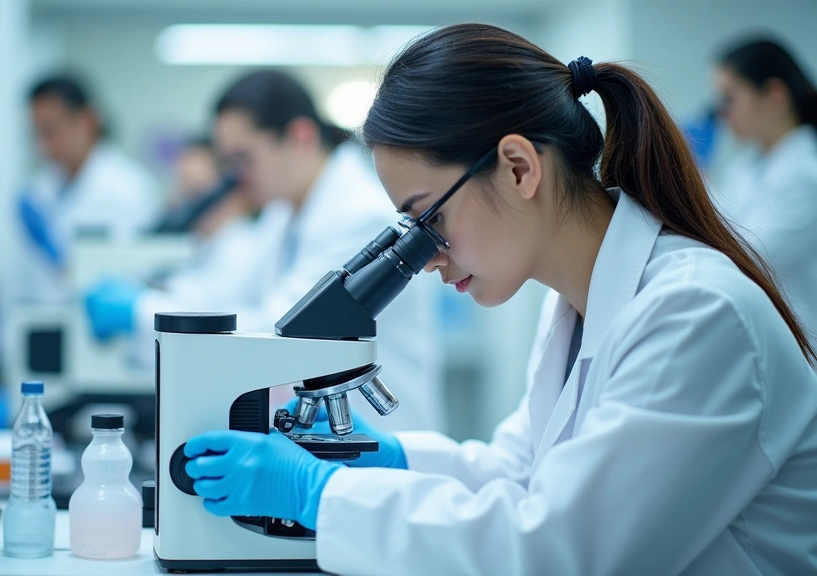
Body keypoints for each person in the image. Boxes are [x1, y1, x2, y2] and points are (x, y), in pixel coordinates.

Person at [180, 24, 817, 575]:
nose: (426, 256)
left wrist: (322, 493)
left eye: (428, 217)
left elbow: (558, 552)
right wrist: (394, 459)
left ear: (518, 167)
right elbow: (520, 473)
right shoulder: (575, 302)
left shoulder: (698, 313)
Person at [85, 71, 445, 432]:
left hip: (384, 442)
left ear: (300, 136)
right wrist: (150, 300)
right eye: (228, 162)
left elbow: (283, 332)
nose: (237, 178)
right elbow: (226, 296)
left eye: (244, 158)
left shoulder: (359, 214)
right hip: (322, 431)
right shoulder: (283, 213)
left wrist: (139, 312)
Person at [15, 74, 160, 305]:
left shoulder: (129, 189)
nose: (43, 145)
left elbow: (137, 273)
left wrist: (66, 267)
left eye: (51, 130)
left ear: (87, 120)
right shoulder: (38, 192)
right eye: (37, 133)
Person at [711, 38, 817, 349]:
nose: (723, 114)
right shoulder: (746, 168)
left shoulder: (807, 173)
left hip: (804, 348)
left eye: (729, 98)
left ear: (774, 94)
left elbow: (745, 257)